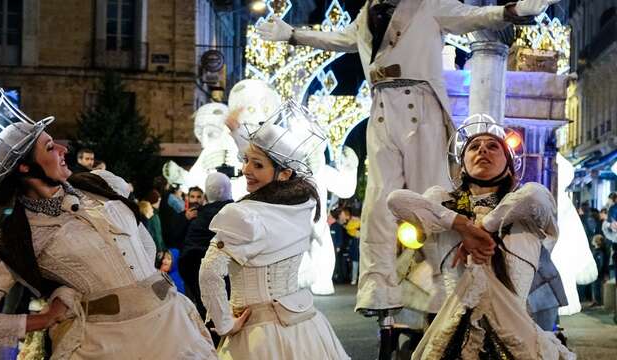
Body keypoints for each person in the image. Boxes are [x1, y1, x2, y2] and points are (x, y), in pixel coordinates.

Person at [258, 0, 560, 314]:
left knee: (431, 195)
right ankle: (379, 290)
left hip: (421, 105)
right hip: (382, 109)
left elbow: (473, 15)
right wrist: (292, 34)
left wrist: (512, 11)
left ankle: (444, 282)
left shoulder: (429, 5)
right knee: (378, 202)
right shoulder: (367, 13)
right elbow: (340, 39)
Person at [0, 88, 216, 359]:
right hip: (106, 346)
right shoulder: (17, 236)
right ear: (25, 168)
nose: (62, 149)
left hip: (174, 329)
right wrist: (41, 320)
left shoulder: (101, 184)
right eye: (49, 147)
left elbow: (143, 243)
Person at [386, 114, 573, 358]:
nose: (483, 150)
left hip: (517, 340)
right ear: (462, 165)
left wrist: (484, 228)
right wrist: (462, 225)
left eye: (493, 146)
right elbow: (395, 200)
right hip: (456, 338)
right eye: (474, 147)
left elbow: (535, 195)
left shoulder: (527, 209)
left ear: (508, 166)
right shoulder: (442, 203)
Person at [199, 100, 348, 359]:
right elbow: (279, 162)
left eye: (257, 165)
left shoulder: (244, 215)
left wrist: (224, 324)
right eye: (246, 161)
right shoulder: (305, 203)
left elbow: (209, 273)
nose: (246, 170)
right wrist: (240, 136)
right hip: (306, 330)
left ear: (284, 173)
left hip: (257, 337)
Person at [179, 172, 234, 318]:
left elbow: (187, 251)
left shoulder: (200, 218)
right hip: (224, 278)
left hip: (197, 276)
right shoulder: (233, 214)